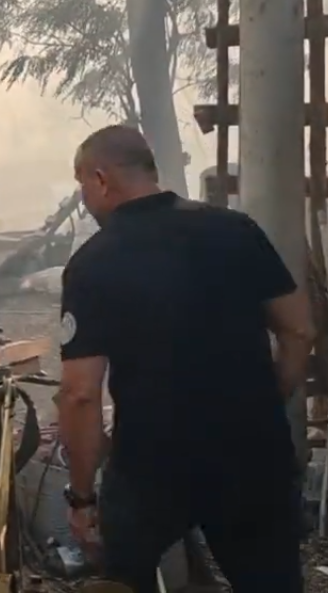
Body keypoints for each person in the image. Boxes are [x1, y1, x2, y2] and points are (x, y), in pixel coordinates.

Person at [57, 125, 312, 593]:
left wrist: (82, 498)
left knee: (124, 581)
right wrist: (267, 399)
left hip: (151, 468)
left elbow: (79, 394)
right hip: (252, 458)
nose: (86, 202)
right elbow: (299, 329)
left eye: (82, 187)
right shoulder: (236, 230)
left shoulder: (94, 264)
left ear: (100, 178)